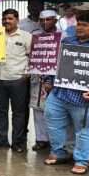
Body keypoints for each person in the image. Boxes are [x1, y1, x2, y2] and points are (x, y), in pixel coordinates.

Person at [45, 11, 89, 175]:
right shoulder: (67, 41)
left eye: (84, 25)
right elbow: (56, 63)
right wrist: (48, 81)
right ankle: (59, 153)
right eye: (78, 24)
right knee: (54, 124)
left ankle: (82, 160)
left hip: (85, 99)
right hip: (60, 93)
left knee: (84, 131)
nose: (79, 27)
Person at [0, 9, 32, 152]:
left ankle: (17, 142)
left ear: (17, 20)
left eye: (10, 18)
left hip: (17, 79)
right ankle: (2, 139)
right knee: (1, 110)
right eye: (4, 18)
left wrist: (27, 73)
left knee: (18, 112)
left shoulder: (26, 37)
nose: (6, 21)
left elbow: (33, 57)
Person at [30, 9, 60, 152]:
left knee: (56, 111)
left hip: (57, 78)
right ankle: (41, 139)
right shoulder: (35, 35)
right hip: (38, 77)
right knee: (38, 109)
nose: (44, 23)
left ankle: (56, 141)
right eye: (42, 20)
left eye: (48, 19)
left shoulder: (63, 36)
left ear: (55, 20)